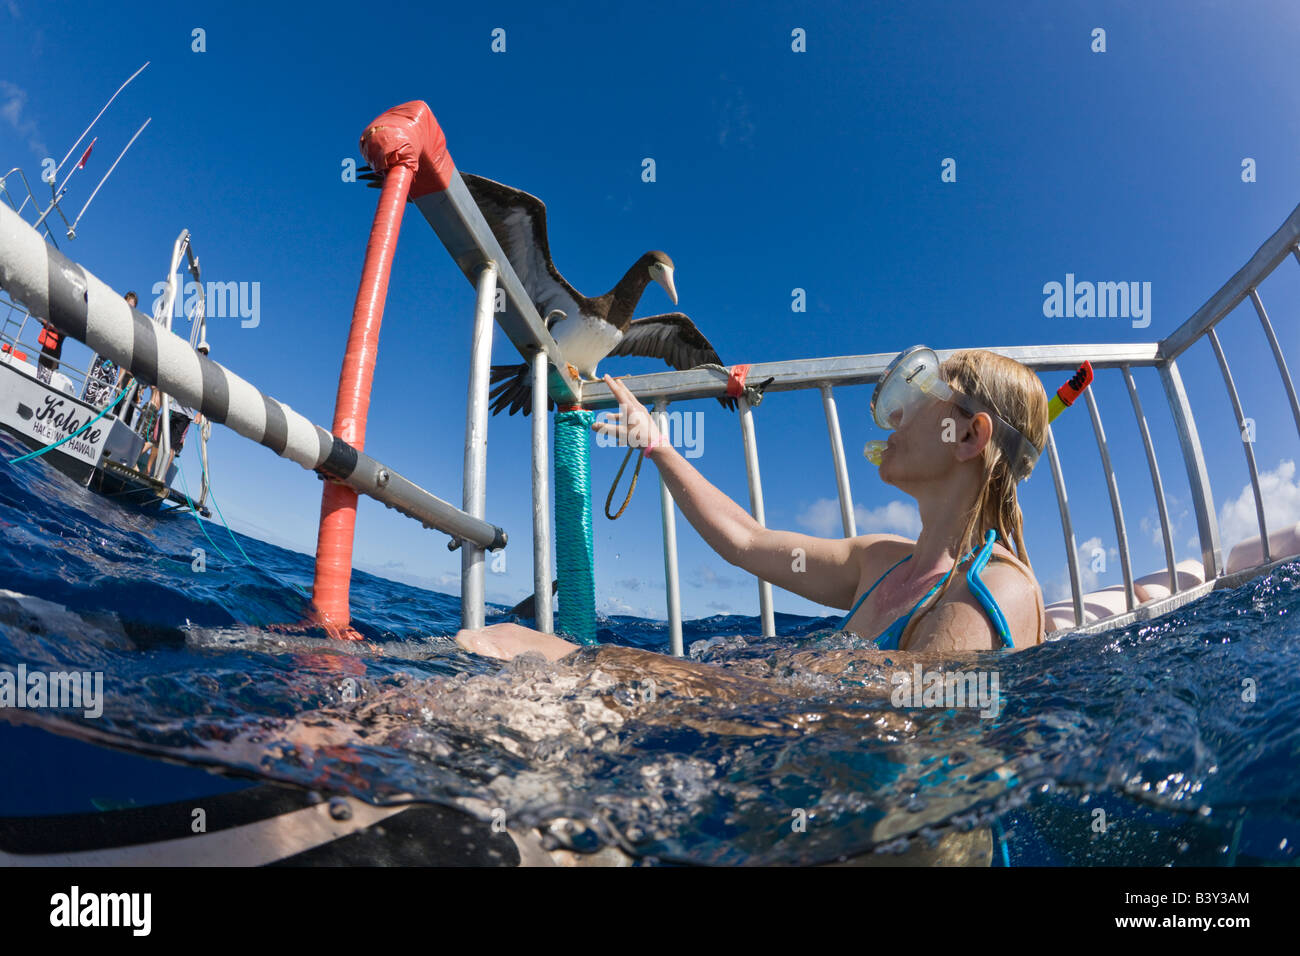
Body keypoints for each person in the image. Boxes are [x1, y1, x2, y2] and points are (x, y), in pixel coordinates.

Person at [456, 347, 1050, 663]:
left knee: (506, 658)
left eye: (918, 394)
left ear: (969, 437)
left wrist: (613, 672)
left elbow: (908, 745)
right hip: (765, 741)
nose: (894, 416)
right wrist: (657, 446)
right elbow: (743, 540)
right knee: (490, 653)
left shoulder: (996, 591)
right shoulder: (881, 561)